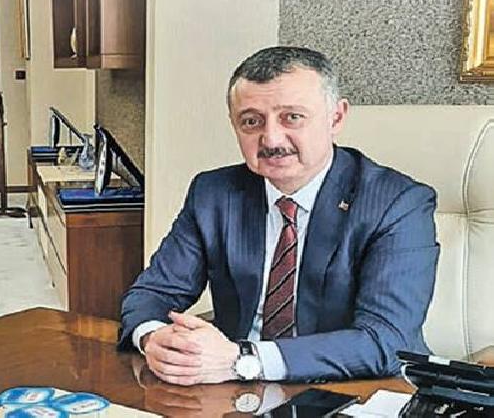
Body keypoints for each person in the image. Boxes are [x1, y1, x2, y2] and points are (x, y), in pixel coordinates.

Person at [119, 46, 439, 386]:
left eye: (292, 117)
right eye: (251, 121)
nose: (271, 139)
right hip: (234, 391)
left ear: (336, 118)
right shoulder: (214, 193)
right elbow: (151, 293)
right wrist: (153, 337)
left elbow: (386, 340)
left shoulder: (397, 203)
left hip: (355, 390)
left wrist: (244, 359)